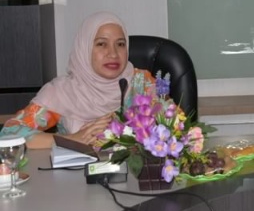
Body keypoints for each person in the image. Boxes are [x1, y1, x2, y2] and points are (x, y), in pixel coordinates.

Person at [0, 12, 155, 149]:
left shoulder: (142, 84)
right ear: (84, 48)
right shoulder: (61, 92)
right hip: (74, 171)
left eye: (120, 44)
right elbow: (10, 133)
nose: (113, 54)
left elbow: (167, 128)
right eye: (101, 44)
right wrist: (72, 139)